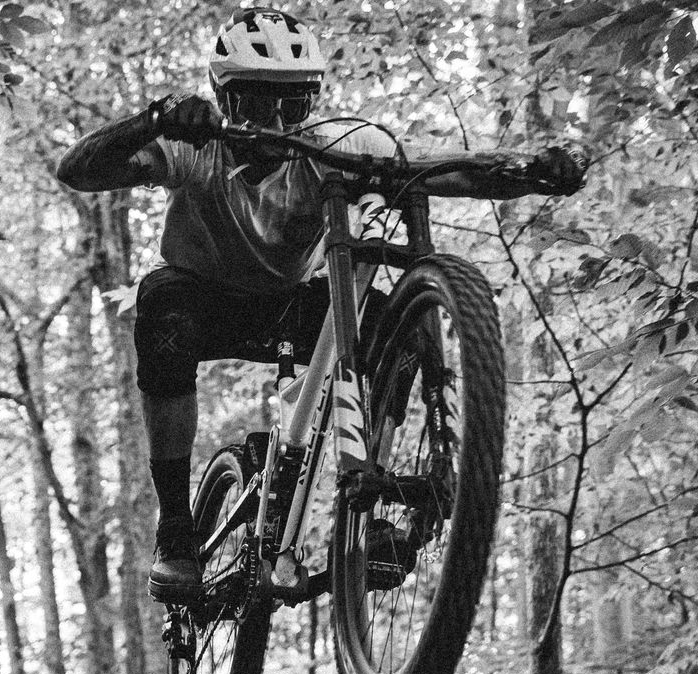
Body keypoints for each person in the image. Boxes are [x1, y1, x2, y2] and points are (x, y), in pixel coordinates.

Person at [55, 6, 585, 602]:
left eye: (295, 103)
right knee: (166, 318)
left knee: (394, 327)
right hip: (200, 297)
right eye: (259, 103)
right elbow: (77, 171)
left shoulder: (332, 148)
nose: (278, 120)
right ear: (226, 100)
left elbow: (445, 173)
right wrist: (153, 121)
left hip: (288, 304)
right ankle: (177, 527)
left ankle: (372, 495)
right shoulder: (193, 148)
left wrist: (530, 171)